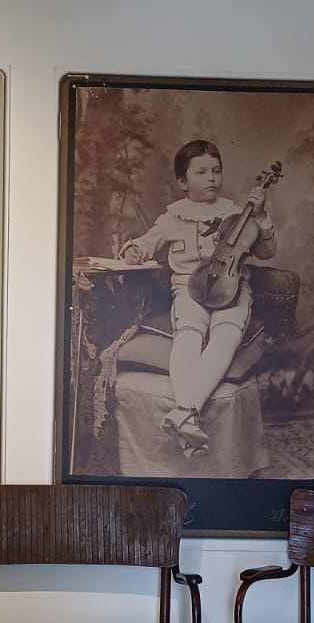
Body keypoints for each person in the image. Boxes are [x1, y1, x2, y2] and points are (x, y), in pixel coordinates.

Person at [118, 139, 277, 457]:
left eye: (216, 171)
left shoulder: (235, 213)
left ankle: (184, 411)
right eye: (202, 172)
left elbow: (267, 250)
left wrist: (260, 215)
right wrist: (134, 250)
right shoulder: (172, 217)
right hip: (189, 289)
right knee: (188, 335)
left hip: (233, 288)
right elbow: (145, 244)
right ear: (182, 181)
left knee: (225, 335)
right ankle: (187, 419)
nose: (211, 178)